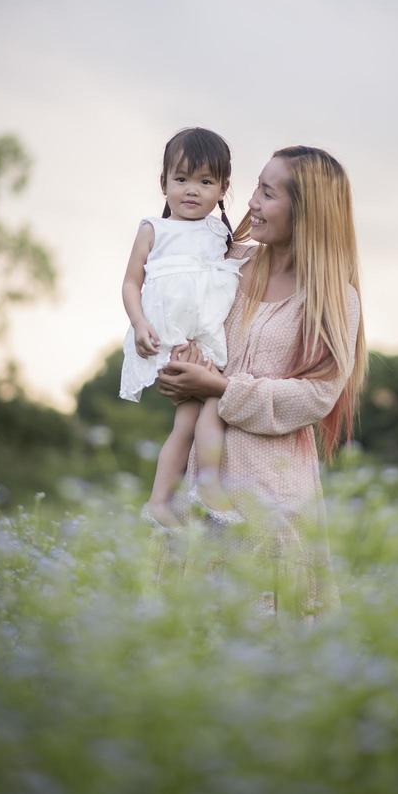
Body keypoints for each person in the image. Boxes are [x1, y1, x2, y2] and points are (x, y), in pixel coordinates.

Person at [156, 145, 368, 618]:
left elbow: (316, 395)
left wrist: (220, 389)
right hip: (202, 480)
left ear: (306, 212)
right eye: (256, 186)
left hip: (273, 496)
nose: (251, 202)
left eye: (268, 193)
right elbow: (183, 324)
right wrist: (174, 373)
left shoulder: (333, 299)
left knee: (269, 642)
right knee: (193, 642)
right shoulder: (227, 264)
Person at [119, 127, 248, 530]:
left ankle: (167, 499)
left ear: (223, 188)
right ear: (164, 183)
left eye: (205, 181)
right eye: (181, 179)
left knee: (200, 416)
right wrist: (139, 324)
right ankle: (198, 491)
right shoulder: (154, 230)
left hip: (205, 342)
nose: (192, 190)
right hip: (169, 339)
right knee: (205, 411)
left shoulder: (220, 234)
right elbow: (130, 283)